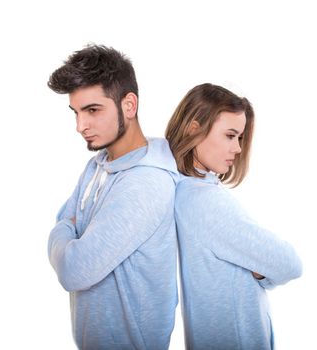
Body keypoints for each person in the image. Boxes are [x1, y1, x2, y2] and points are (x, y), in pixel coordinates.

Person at [47, 45, 179, 350]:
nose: (81, 126)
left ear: (129, 105)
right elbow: (61, 219)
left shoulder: (146, 183)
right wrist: (66, 229)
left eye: (93, 110)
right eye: (77, 113)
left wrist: (66, 232)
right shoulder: (97, 165)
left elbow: (73, 270)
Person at [165, 83, 303, 349]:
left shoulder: (187, 192)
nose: (238, 148)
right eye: (230, 135)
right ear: (194, 128)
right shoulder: (205, 203)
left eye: (239, 137)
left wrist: (259, 268)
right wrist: (261, 269)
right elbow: (290, 264)